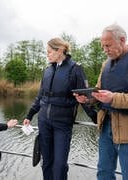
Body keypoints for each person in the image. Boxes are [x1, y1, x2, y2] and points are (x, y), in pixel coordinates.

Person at [74, 24, 128, 179]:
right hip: (106, 126)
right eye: (103, 46)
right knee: (103, 172)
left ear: (122, 40)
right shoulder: (106, 64)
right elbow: (99, 91)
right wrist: (88, 98)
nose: (105, 50)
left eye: (108, 45)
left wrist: (113, 98)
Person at [23, 37, 88, 180]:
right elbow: (40, 96)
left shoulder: (75, 69)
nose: (47, 54)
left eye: (49, 51)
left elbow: (85, 99)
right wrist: (29, 115)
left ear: (60, 50)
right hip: (44, 122)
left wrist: (97, 119)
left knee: (59, 165)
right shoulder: (47, 70)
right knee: (46, 162)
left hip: (62, 124)